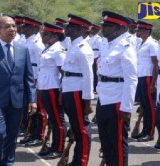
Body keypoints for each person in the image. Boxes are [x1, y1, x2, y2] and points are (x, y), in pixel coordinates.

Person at [0, 15, 37, 166]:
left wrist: (32, 99)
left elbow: (28, 77)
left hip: (17, 100)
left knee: (12, 136)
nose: (12, 29)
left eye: (14, 26)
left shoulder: (23, 50)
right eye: (7, 26)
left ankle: (8, 163)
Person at [96, 11, 137, 166]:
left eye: (107, 26)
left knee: (118, 144)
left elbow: (131, 79)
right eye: (103, 25)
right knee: (106, 143)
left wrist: (127, 107)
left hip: (117, 100)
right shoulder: (107, 45)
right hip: (103, 98)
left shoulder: (125, 47)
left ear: (120, 29)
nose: (103, 28)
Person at [61, 14, 94, 165]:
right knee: (75, 126)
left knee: (81, 129)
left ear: (81, 30)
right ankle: (76, 159)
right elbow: (67, 72)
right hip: (69, 89)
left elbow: (88, 77)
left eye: (71, 27)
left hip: (77, 92)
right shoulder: (73, 45)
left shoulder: (83, 49)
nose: (67, 29)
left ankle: (81, 161)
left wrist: (88, 102)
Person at [37, 22, 67, 159]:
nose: (43, 36)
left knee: (57, 120)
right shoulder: (48, 48)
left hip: (53, 88)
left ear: (55, 36)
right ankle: (53, 145)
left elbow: (64, 74)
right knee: (53, 120)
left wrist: (61, 92)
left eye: (46, 34)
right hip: (45, 87)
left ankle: (59, 147)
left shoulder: (58, 50)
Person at [19, 16, 47, 147]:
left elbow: (42, 66)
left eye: (26, 26)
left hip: (35, 78)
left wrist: (39, 83)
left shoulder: (37, 44)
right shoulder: (27, 41)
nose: (23, 28)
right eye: (23, 26)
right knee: (29, 109)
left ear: (35, 28)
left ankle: (39, 135)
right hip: (27, 77)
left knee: (39, 109)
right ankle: (31, 133)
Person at [132, 21, 158, 142]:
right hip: (141, 77)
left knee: (149, 107)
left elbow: (155, 64)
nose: (137, 32)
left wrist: (153, 83)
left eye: (140, 30)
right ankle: (145, 131)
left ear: (147, 31)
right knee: (144, 106)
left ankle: (150, 132)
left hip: (148, 78)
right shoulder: (141, 43)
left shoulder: (151, 44)